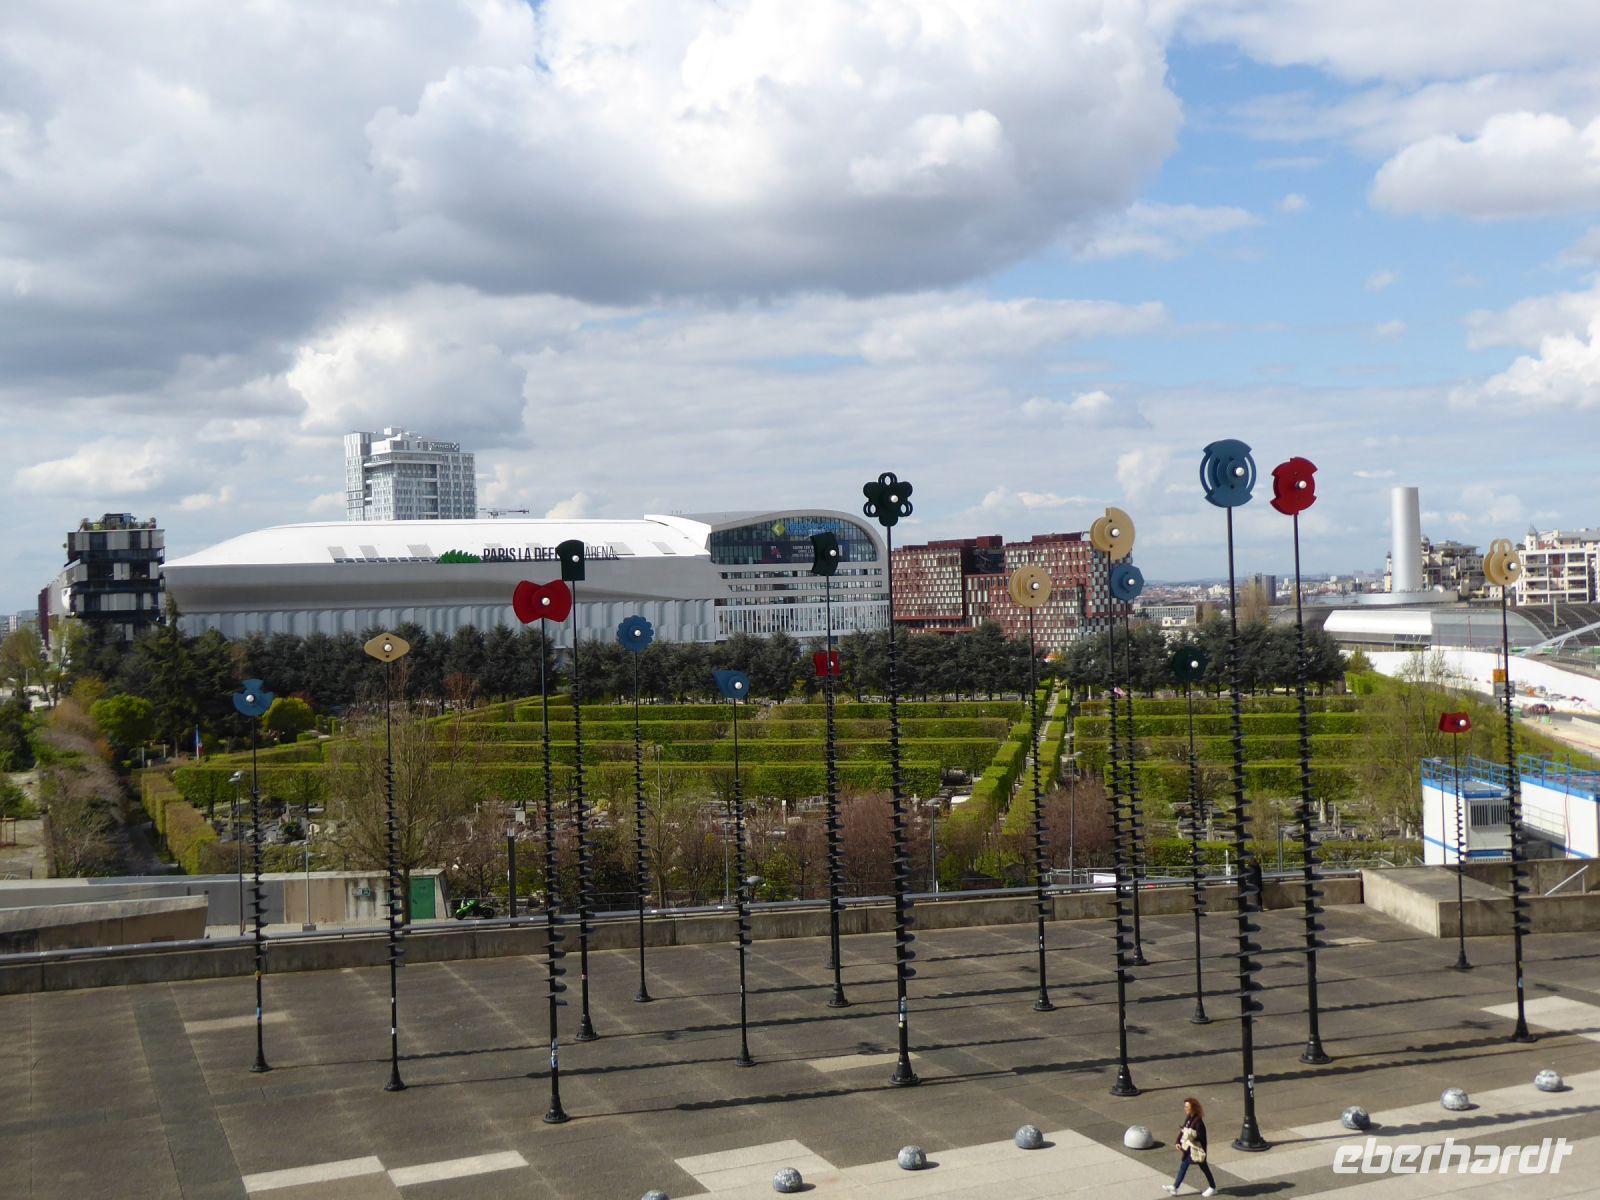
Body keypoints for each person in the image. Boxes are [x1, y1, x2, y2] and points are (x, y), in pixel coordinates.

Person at [1163, 1096, 1217, 1196]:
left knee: (1203, 1167)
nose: (1185, 1109)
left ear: (1193, 1108)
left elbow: (1201, 1138)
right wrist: (1178, 1141)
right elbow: (1183, 1130)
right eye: (1185, 1107)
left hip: (1197, 1150)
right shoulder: (1189, 1118)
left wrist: (1191, 1136)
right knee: (1184, 1165)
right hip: (1189, 1149)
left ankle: (1213, 1187)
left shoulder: (1198, 1122)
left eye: (1187, 1107)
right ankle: (1175, 1187)